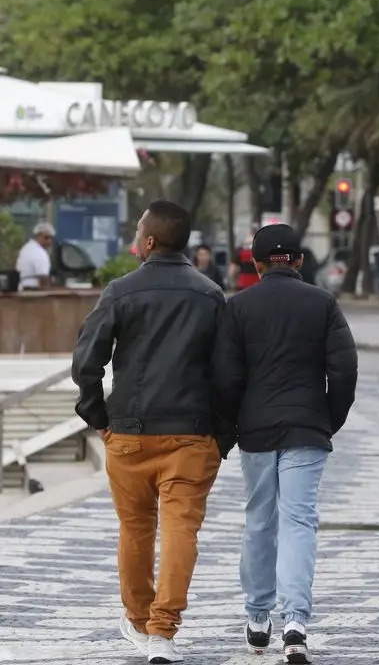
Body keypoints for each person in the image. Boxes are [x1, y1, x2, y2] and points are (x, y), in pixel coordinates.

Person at [71, 201, 231, 664]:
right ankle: (163, 631)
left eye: (137, 230)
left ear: (149, 241)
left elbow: (86, 362)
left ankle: (139, 621)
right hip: (192, 435)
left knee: (135, 528)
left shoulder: (120, 291)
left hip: (129, 433)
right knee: (182, 529)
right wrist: (222, 435)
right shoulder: (210, 294)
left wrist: (97, 417)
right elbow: (228, 373)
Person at [211, 223, 358, 665]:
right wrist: (327, 421)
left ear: (255, 264)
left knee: (259, 520)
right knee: (299, 521)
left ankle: (258, 617)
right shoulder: (323, 303)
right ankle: (296, 620)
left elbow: (226, 377)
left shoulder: (238, 307)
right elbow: (345, 371)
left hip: (255, 430)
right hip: (307, 429)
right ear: (298, 260)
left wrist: (231, 427)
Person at [16, 221, 55, 290]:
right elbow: (43, 277)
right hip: (33, 290)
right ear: (38, 236)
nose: (49, 241)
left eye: (51, 238)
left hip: (21, 287)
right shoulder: (39, 252)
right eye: (46, 238)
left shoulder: (26, 248)